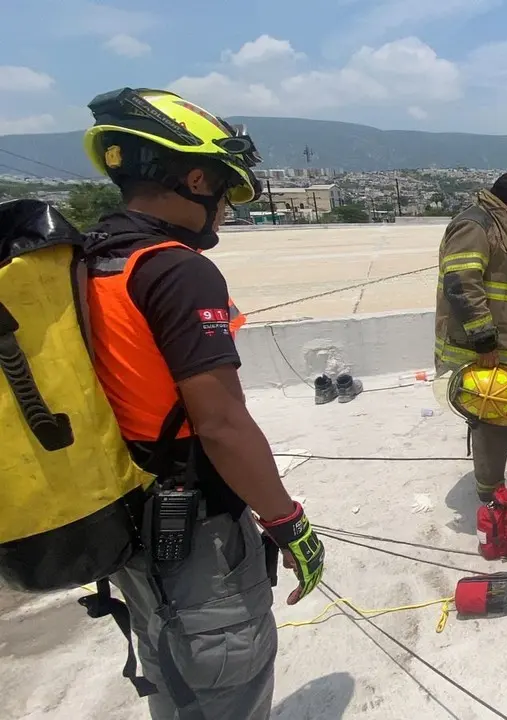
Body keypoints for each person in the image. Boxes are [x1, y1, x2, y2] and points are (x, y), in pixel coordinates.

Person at [80, 87, 325, 719]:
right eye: (222, 192)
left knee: (173, 675)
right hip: (197, 532)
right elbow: (220, 422)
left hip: (130, 524)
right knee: (227, 683)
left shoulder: (93, 260)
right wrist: (287, 522)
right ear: (194, 178)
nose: (222, 212)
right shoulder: (176, 270)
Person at [435, 171, 507, 500]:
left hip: (506, 340)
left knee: (503, 406)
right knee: (490, 413)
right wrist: (484, 341)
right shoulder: (474, 226)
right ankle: (492, 492)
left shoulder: (500, 223)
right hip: (481, 345)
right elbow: (461, 284)